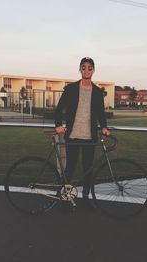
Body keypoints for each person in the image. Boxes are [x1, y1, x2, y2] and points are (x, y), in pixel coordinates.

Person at [54, 57, 110, 208]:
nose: (86, 70)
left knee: (88, 168)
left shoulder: (98, 92)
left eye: (89, 68)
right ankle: (65, 198)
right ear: (79, 69)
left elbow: (100, 113)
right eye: (83, 67)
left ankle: (86, 198)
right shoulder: (71, 88)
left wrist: (104, 126)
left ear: (93, 70)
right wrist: (58, 125)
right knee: (70, 168)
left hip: (89, 136)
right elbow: (58, 109)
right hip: (72, 135)